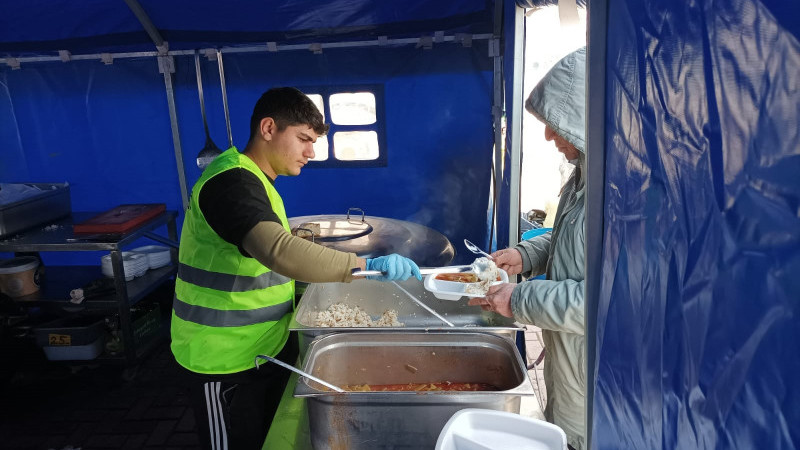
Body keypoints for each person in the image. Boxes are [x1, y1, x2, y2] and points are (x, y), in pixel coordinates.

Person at [170, 87, 422, 450]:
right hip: (221, 361)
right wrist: (363, 266)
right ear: (268, 128)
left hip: (263, 349)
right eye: (304, 139)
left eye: (314, 141)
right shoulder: (230, 183)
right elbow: (277, 250)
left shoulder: (258, 181)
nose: (311, 152)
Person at [468, 47, 587, 450]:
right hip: (569, 364)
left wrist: (521, 297)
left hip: (598, 384)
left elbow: (610, 303)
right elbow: (569, 239)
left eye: (557, 124)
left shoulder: (630, 195)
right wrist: (527, 254)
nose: (550, 136)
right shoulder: (585, 176)